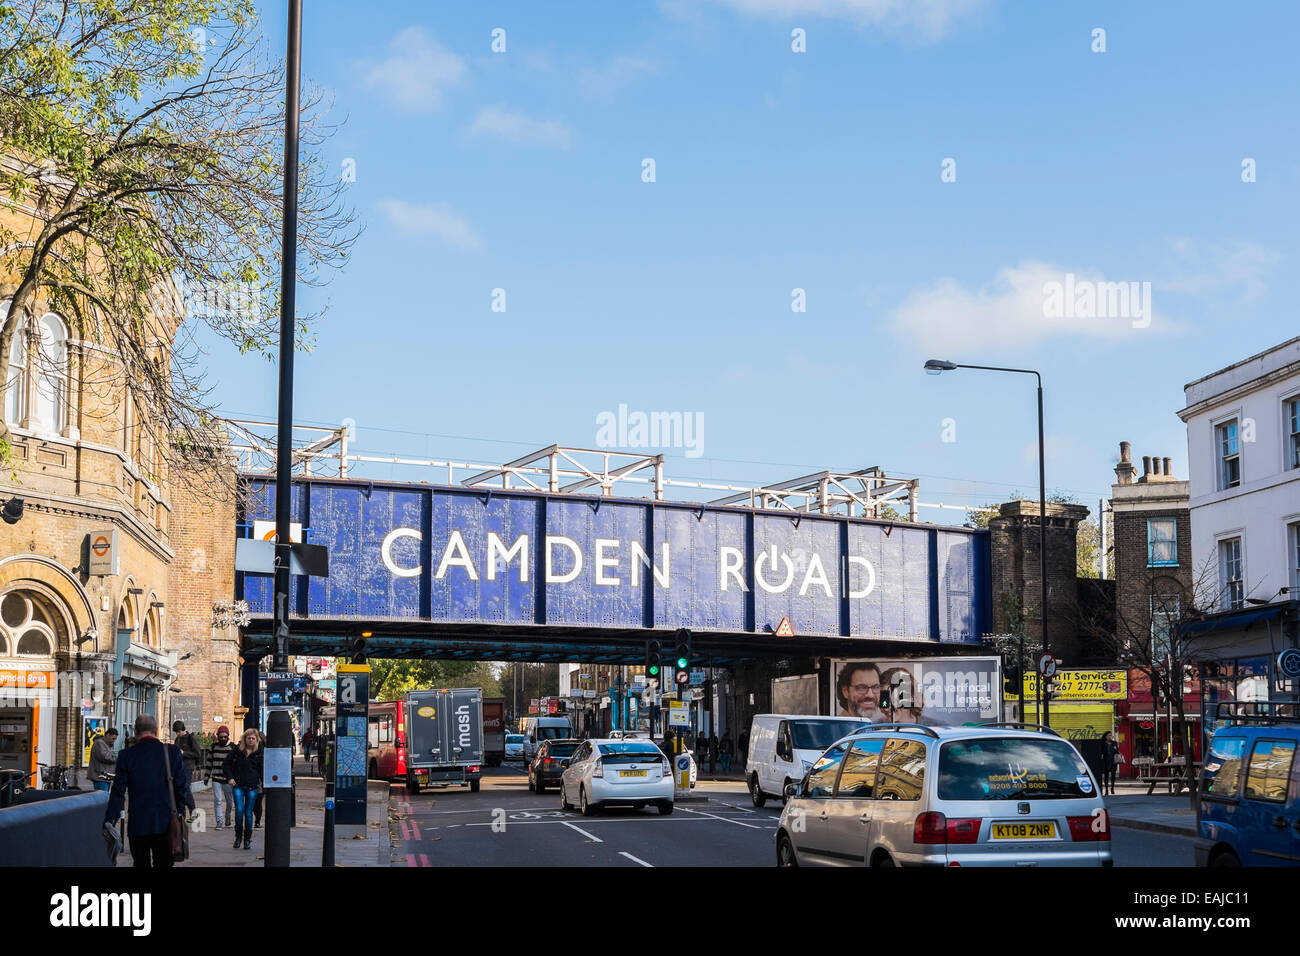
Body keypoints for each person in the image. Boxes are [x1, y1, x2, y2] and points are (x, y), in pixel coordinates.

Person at [104, 714, 193, 868]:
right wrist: (180, 812)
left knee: (140, 863)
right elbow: (181, 786)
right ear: (156, 730)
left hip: (138, 822)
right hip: (165, 821)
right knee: (164, 862)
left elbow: (118, 791)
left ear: (135, 731)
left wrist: (110, 819)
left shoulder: (126, 755)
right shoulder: (172, 752)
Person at [223, 728, 264, 850]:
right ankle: (238, 837)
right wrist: (230, 778)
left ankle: (247, 839)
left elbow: (263, 769)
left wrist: (264, 785)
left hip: (252, 786)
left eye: (253, 738)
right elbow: (225, 764)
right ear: (245, 739)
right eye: (248, 738)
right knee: (239, 811)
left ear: (256, 740)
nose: (251, 740)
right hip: (238, 785)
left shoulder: (260, 751)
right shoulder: (237, 750)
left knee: (248, 813)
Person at [203, 726, 237, 829]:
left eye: (225, 737)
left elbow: (236, 764)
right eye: (221, 737)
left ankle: (227, 818)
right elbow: (209, 763)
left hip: (228, 779)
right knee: (217, 800)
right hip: (216, 778)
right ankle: (219, 822)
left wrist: (235, 778)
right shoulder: (213, 747)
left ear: (228, 736)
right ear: (217, 736)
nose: (222, 739)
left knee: (230, 802)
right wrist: (206, 777)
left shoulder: (233, 748)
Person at [89, 728, 118, 792]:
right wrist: (118, 758)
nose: (114, 741)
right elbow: (105, 757)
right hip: (100, 777)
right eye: (113, 738)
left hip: (105, 777)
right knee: (101, 799)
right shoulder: (99, 743)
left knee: (104, 798)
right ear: (108, 735)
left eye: (115, 739)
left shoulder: (107, 744)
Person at [252, 729, 266, 829]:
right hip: (253, 779)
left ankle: (257, 821)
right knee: (253, 802)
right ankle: (256, 820)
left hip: (261, 780)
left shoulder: (266, 751)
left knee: (258, 801)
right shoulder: (250, 750)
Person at [1100, 731, 1120, 796]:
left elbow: (1118, 752)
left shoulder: (1114, 743)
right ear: (1105, 736)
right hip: (1106, 762)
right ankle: (1106, 790)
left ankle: (1112, 788)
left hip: (1113, 762)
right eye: (1108, 735)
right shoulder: (1103, 743)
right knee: (1106, 777)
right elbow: (1101, 752)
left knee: (1113, 776)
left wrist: (1115, 749)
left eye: (1111, 735)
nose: (1110, 736)